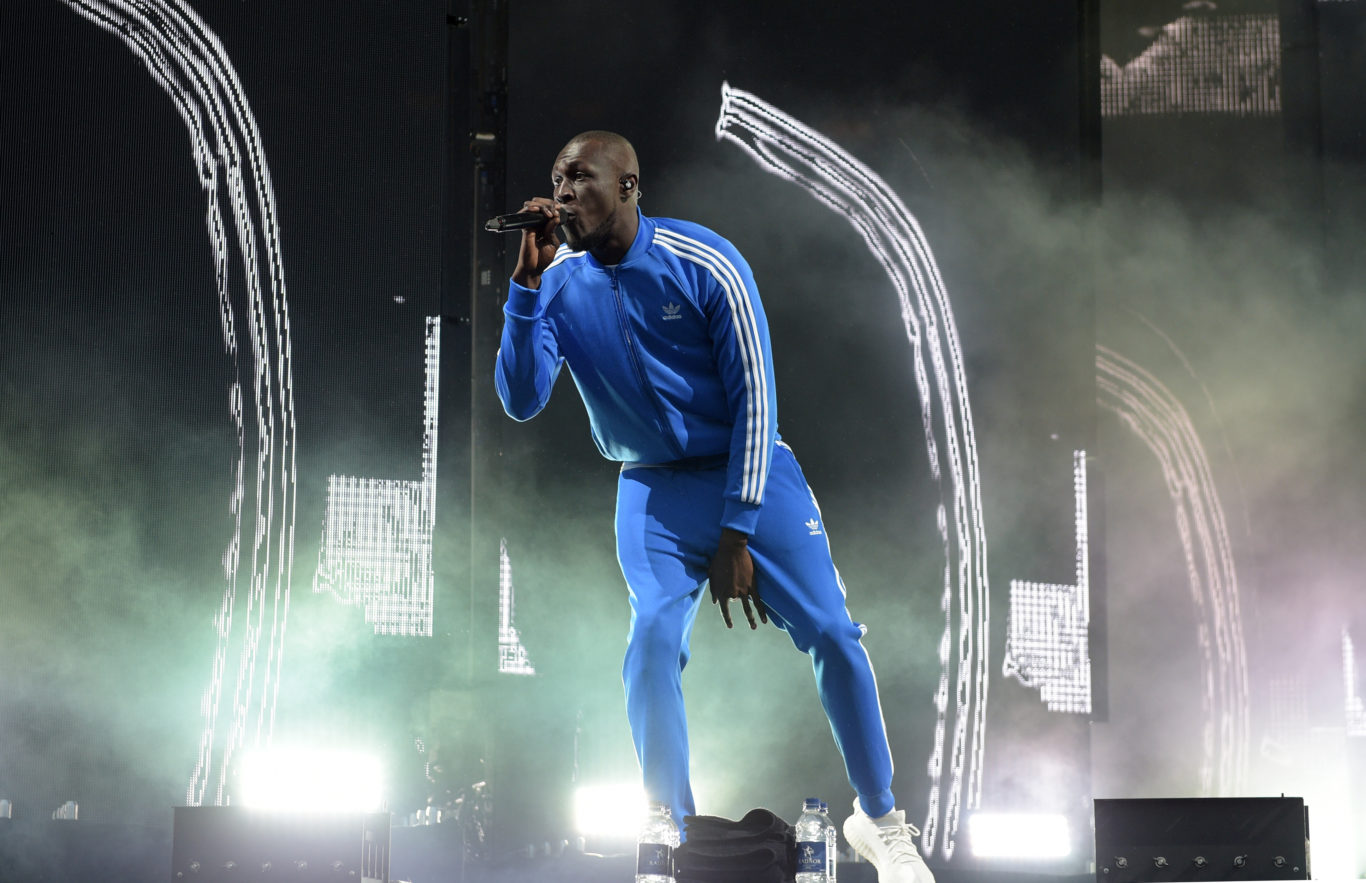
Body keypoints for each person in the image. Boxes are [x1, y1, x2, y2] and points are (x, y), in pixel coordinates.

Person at [495, 130, 934, 883]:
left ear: (630, 186)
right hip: (652, 488)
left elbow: (756, 399)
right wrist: (526, 290)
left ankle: (880, 820)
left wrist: (737, 531)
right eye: (557, 178)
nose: (563, 192)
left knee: (833, 632)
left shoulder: (705, 261)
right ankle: (671, 826)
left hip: (749, 468)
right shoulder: (559, 283)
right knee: (653, 643)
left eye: (582, 178)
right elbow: (522, 398)